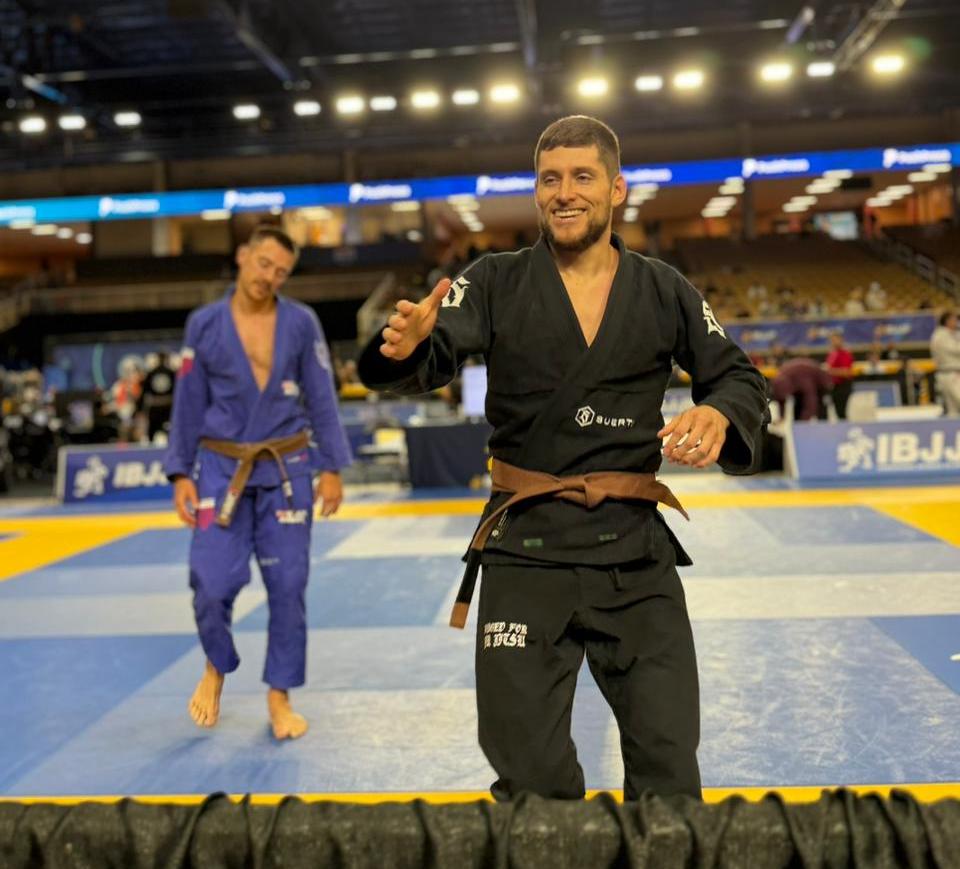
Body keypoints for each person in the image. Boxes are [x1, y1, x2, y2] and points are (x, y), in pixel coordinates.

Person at [357, 116, 769, 801]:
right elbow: (432, 347)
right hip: (525, 550)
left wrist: (719, 411)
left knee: (669, 763)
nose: (565, 192)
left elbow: (738, 376)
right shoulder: (494, 280)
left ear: (616, 189)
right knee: (532, 779)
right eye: (550, 179)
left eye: (582, 177)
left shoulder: (662, 287)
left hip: (633, 554)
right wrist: (403, 347)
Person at [165, 226, 351, 739]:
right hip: (219, 469)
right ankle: (216, 665)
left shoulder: (301, 322)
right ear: (243, 256)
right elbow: (188, 402)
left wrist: (332, 467)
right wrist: (180, 472)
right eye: (264, 263)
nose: (269, 276)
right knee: (210, 582)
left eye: (281, 272)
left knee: (288, 585)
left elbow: (321, 395)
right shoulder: (204, 324)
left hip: (287, 468)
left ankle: (279, 696)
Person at [137, 351, 176, 441]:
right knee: (167, 431)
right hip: (167, 407)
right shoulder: (171, 373)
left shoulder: (152, 373)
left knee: (153, 431)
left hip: (157, 407)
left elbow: (144, 392)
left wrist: (139, 408)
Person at [930, 311, 960, 415]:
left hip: (951, 372)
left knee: (953, 409)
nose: (956, 322)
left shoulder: (953, 334)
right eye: (954, 320)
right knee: (953, 406)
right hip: (950, 372)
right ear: (947, 321)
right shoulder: (941, 335)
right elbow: (955, 349)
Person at [825, 331, 855, 419]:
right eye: (832, 340)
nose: (833, 342)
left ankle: (844, 426)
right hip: (834, 386)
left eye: (835, 340)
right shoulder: (832, 354)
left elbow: (847, 372)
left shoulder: (845, 354)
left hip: (843, 385)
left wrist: (829, 371)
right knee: (836, 411)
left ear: (841, 340)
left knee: (841, 411)